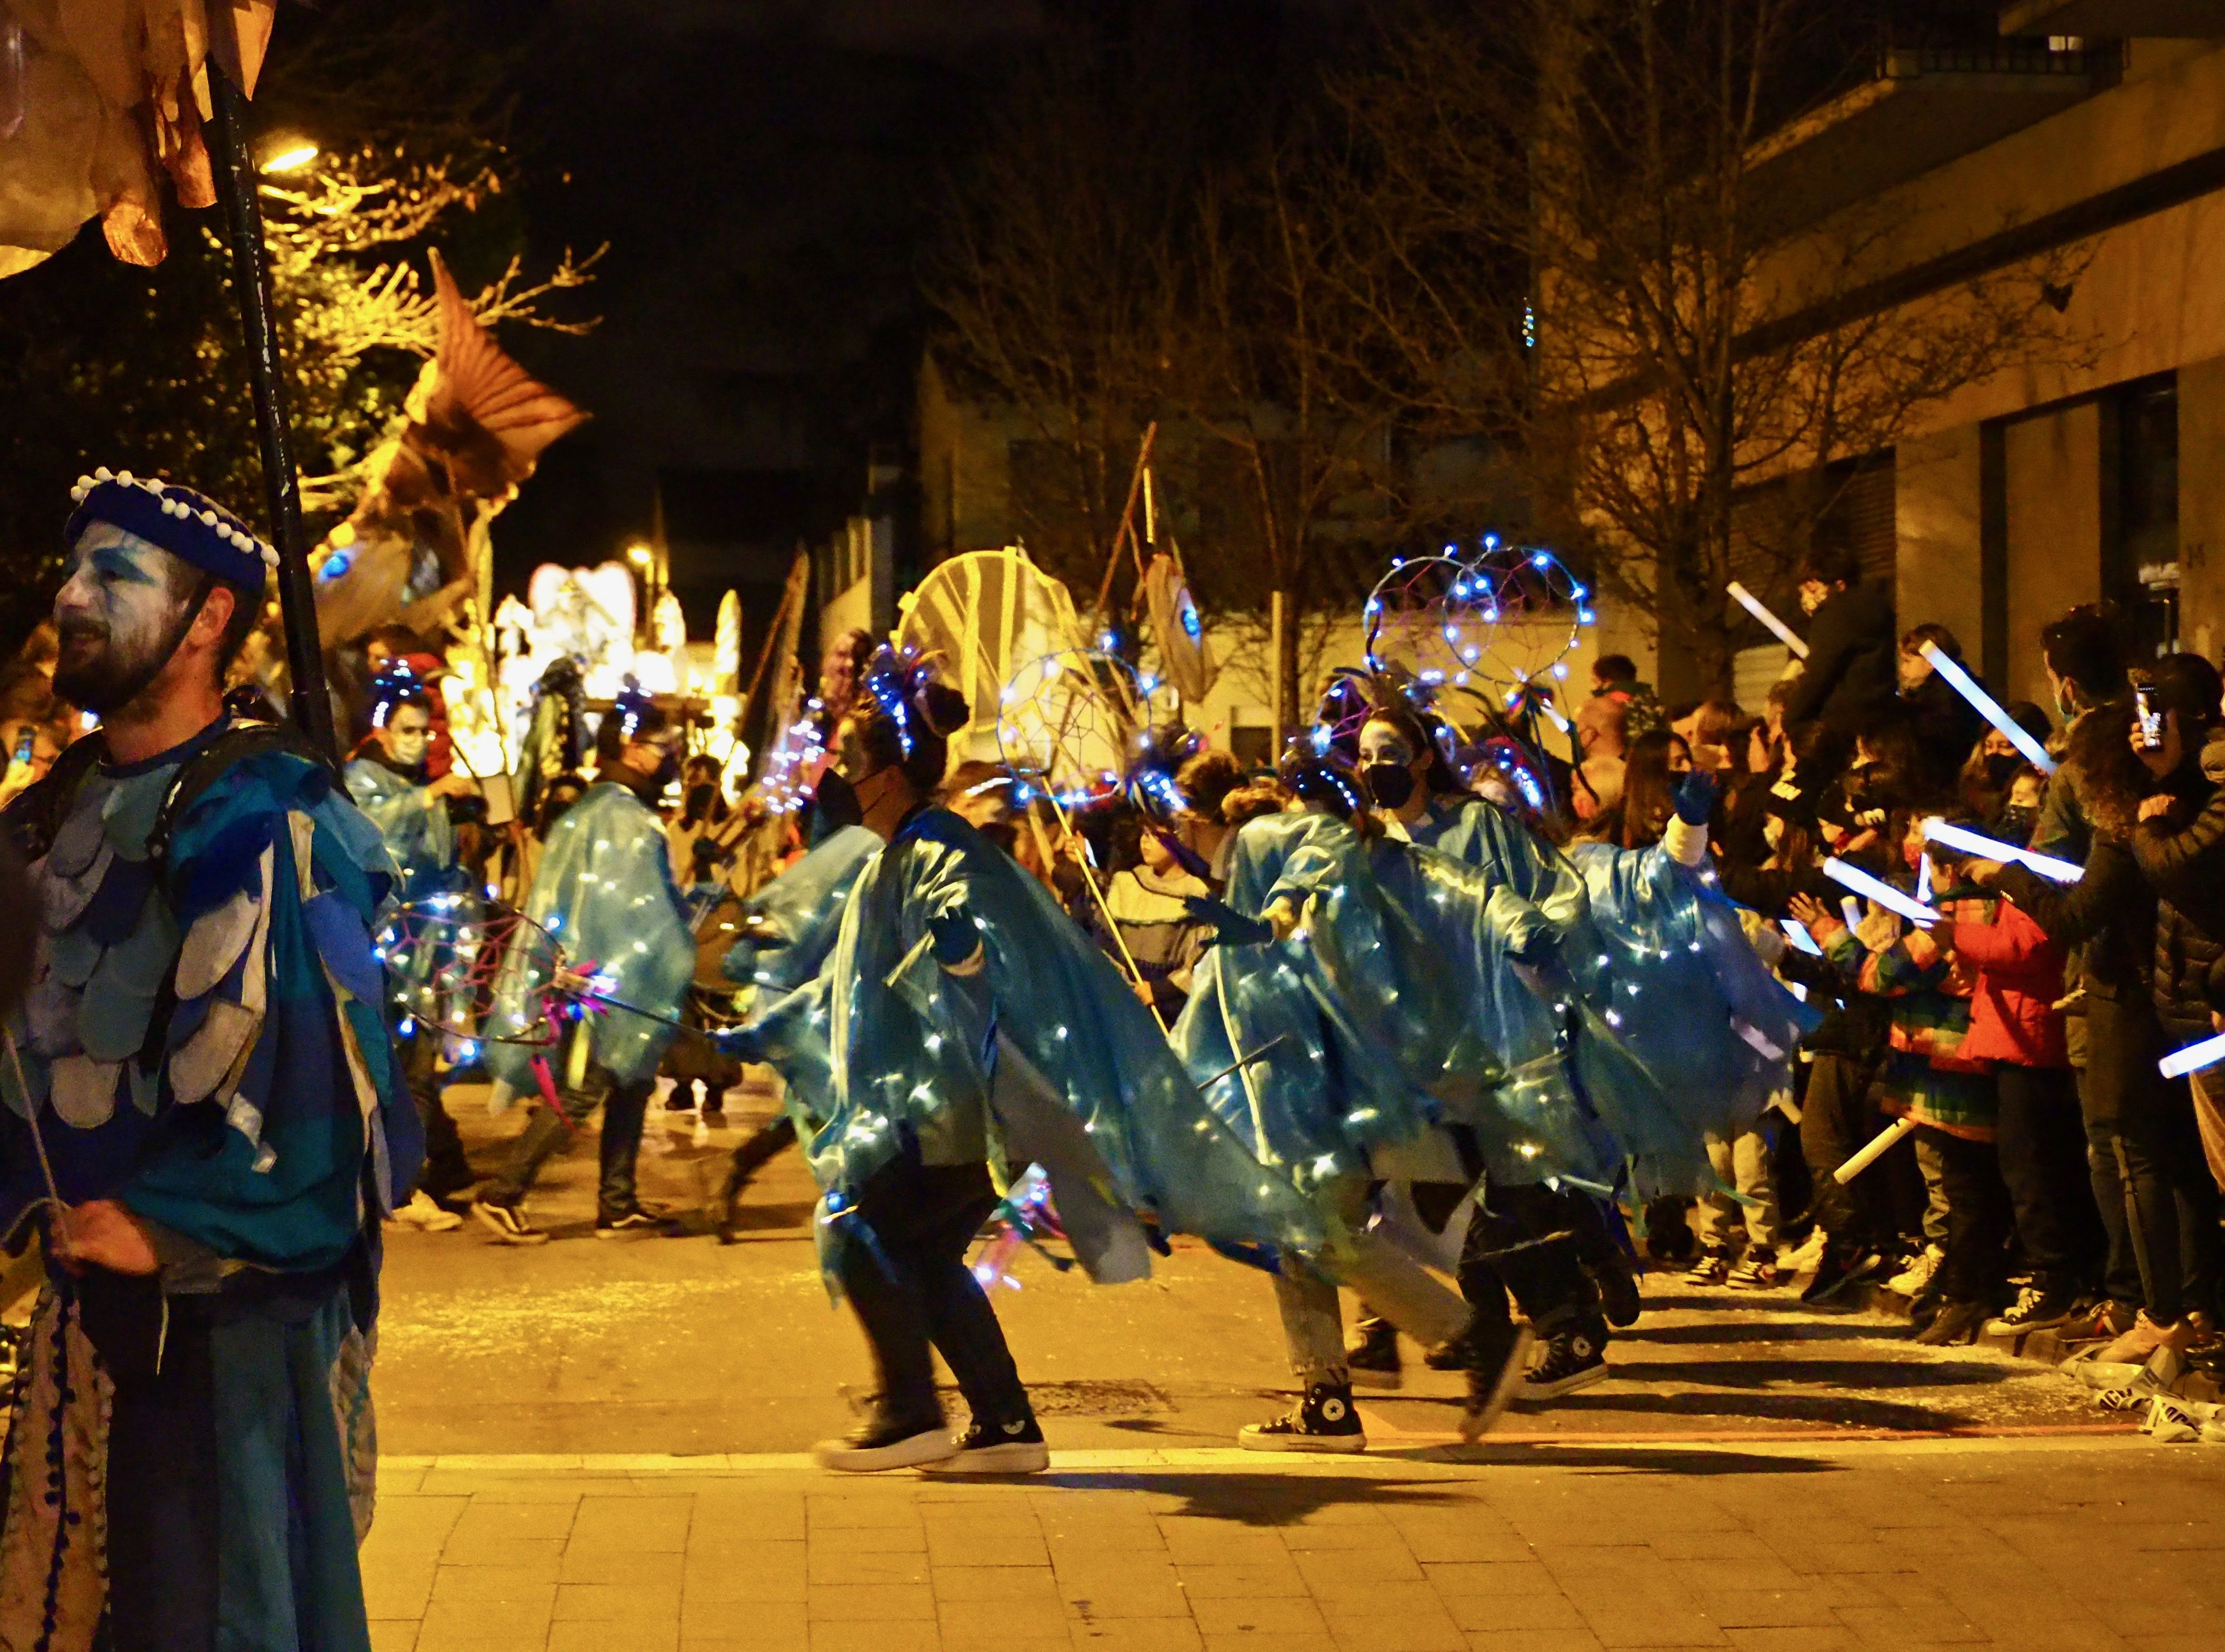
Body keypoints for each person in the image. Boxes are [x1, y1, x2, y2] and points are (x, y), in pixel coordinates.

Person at [0, 469, 418, 1648]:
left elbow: (309, 1094)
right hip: (82, 1330)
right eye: (76, 565)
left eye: (115, 573)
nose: (73, 595)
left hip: (222, 1344)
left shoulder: (268, 813)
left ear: (212, 616)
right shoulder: (50, 812)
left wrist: (167, 1216)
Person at [727, 646, 1323, 1473]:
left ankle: (910, 1413)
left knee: (859, 1230)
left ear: (891, 774)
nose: (840, 776)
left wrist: (962, 949)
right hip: (941, 1102)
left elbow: (967, 925)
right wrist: (770, 1030)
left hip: (951, 1104)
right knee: (926, 1255)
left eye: (854, 762)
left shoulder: (936, 847)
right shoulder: (895, 852)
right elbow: (854, 986)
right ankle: (1006, 1427)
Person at [475, 697, 696, 1243]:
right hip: (606, 977)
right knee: (586, 1086)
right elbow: (633, 910)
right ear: (632, 750)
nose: (669, 758)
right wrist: (678, 936)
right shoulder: (627, 817)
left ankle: (617, 1204)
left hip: (583, 968)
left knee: (633, 1080)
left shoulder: (591, 810)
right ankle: (503, 1192)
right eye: (661, 748)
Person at [345, 668, 480, 1226]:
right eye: (407, 729)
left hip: (428, 950)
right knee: (400, 1073)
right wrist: (429, 798)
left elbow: (442, 866)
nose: (418, 740)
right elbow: (371, 834)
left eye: (425, 731)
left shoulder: (418, 784)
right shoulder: (361, 778)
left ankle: (435, 1171)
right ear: (381, 730)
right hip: (382, 951)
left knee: (417, 1071)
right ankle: (404, 1185)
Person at [1780, 544, 1895, 735]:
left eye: (1813, 591)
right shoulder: (1879, 608)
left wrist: (1792, 719)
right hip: (1880, 718)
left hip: (1842, 724)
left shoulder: (1833, 615)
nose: (1807, 599)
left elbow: (1820, 674)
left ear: (1839, 585)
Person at [1897, 624, 1988, 798]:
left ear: (1931, 662)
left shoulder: (1942, 699)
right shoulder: (1961, 688)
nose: (1903, 669)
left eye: (1908, 661)